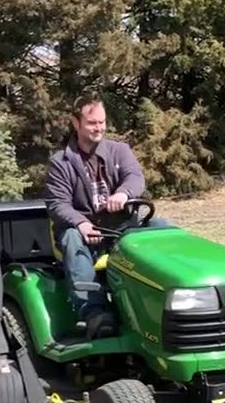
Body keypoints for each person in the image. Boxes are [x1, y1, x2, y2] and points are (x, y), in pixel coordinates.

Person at [44, 95, 172, 337]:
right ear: (76, 123)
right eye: (92, 123)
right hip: (85, 234)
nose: (99, 128)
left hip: (123, 229)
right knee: (71, 238)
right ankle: (94, 313)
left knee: (164, 227)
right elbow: (57, 203)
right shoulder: (61, 163)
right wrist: (81, 222)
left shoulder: (119, 151)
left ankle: (170, 300)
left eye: (102, 122)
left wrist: (123, 194)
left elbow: (135, 178)